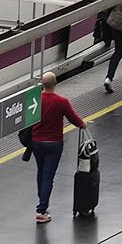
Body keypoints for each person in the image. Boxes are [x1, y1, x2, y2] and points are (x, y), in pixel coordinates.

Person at [31, 71, 86, 224]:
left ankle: (42, 200)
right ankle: (41, 211)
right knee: (49, 176)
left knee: (41, 172)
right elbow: (73, 118)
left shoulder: (34, 99)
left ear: (43, 84)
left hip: (37, 142)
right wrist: (83, 124)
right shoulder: (62, 101)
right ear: (55, 84)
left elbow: (27, 120)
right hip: (54, 144)